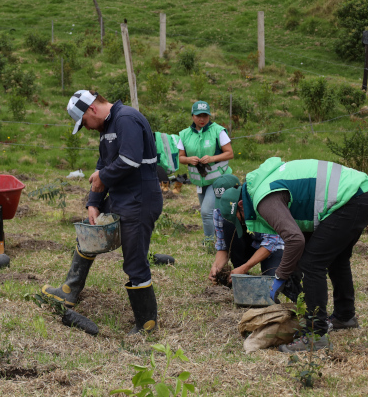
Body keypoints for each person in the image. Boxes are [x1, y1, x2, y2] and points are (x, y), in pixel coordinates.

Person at [219, 157, 368, 352]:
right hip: (361, 194)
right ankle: (345, 316)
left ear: (242, 205)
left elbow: (295, 240)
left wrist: (280, 276)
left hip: (352, 198)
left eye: (240, 219)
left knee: (312, 264)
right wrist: (291, 267)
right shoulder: (264, 185)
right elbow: (300, 234)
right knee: (336, 259)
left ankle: (315, 335)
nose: (243, 223)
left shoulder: (263, 199)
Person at [42, 90, 163, 335]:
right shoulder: (106, 127)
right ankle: (68, 292)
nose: (85, 127)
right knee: (89, 236)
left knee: (134, 260)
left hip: (140, 199)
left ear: (92, 109)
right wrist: (94, 202)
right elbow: (103, 165)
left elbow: (129, 160)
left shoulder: (126, 119)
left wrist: (103, 177)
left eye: (83, 122)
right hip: (120, 196)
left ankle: (146, 323)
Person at [207, 174, 285, 284]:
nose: (224, 207)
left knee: (273, 279)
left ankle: (243, 269)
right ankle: (238, 272)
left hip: (272, 247)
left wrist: (245, 268)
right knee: (228, 223)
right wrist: (217, 266)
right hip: (248, 245)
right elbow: (222, 245)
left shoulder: (262, 204)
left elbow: (272, 241)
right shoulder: (220, 212)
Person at [178, 101, 233, 247]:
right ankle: (220, 240)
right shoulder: (184, 134)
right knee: (212, 213)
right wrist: (189, 159)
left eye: (205, 116)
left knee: (206, 212)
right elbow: (180, 157)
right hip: (200, 181)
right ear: (192, 116)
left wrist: (212, 158)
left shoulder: (218, 131)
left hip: (219, 179)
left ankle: (210, 242)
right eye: (198, 116)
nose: (202, 119)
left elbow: (230, 153)